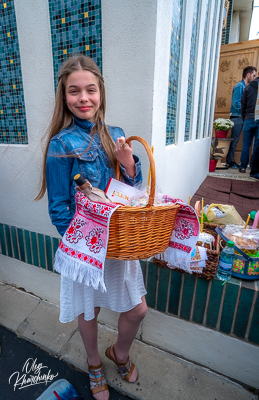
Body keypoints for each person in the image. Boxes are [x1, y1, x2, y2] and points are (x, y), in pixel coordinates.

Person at [36, 55, 147, 400]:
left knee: (138, 309)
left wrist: (129, 164)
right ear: (64, 96)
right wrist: (86, 245)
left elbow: (133, 191)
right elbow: (58, 209)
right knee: (90, 309)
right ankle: (95, 362)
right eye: (74, 91)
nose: (83, 98)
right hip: (86, 248)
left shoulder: (116, 135)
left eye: (90, 89)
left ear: (101, 92)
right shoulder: (61, 145)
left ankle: (120, 353)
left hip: (121, 244)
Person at [226, 66, 257, 169]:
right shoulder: (239, 86)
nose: (254, 77)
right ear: (248, 74)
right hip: (237, 117)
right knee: (234, 140)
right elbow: (236, 103)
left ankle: (231, 160)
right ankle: (229, 161)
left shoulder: (246, 87)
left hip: (241, 117)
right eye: (253, 75)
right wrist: (245, 113)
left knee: (237, 140)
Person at [239, 71, 259, 174]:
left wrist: (244, 117)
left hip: (248, 119)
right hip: (258, 118)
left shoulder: (248, 87)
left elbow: (243, 105)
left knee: (246, 144)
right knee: (257, 145)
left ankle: (242, 167)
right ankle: (253, 168)